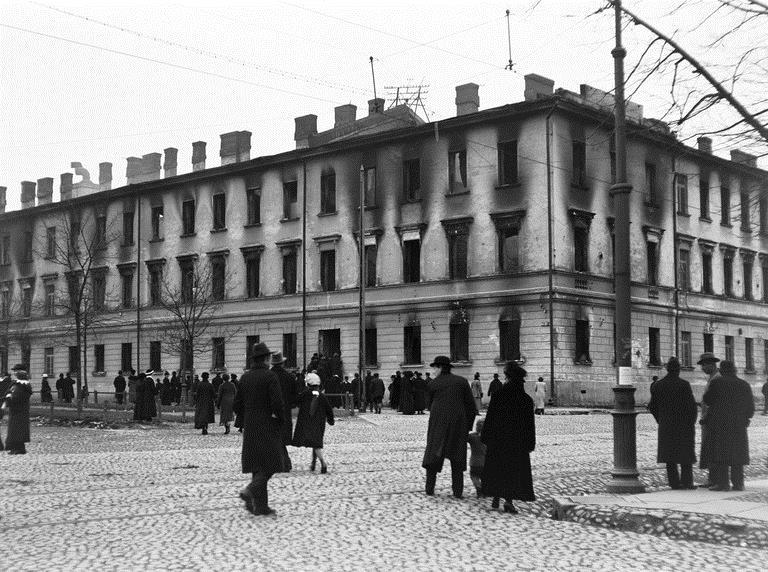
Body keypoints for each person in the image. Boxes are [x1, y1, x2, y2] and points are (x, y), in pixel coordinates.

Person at [234, 342, 291, 516]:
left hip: (251, 426)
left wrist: (246, 418)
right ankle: (250, 490)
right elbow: (277, 402)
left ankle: (260, 506)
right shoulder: (269, 377)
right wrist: (281, 419)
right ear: (266, 359)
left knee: (257, 465)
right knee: (273, 463)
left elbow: (237, 404)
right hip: (268, 425)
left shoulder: (245, 378)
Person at [481, 361, 536, 514]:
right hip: (517, 444)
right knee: (513, 472)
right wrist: (530, 444)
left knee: (497, 468)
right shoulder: (526, 400)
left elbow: (490, 418)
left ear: (508, 378)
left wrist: (485, 437)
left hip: (498, 441)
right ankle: (509, 500)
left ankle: (496, 495)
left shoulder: (498, 396)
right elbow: (530, 426)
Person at [422, 356, 477, 499]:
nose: (433, 371)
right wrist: (467, 426)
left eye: (434, 368)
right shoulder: (462, 382)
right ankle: (457, 491)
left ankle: (429, 488)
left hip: (438, 426)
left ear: (440, 367)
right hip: (458, 425)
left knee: (433, 455)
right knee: (457, 459)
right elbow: (471, 407)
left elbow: (429, 405)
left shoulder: (433, 384)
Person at [703, 360, 754, 491]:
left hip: (720, 423)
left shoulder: (716, 383)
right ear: (734, 370)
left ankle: (723, 483)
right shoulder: (744, 384)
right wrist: (746, 418)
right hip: (738, 424)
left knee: (721, 453)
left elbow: (707, 399)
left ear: (722, 370)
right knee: (737, 454)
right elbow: (750, 407)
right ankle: (738, 483)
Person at [647, 357, 698, 490]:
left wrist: (661, 420)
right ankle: (687, 482)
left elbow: (652, 406)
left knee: (670, 456)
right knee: (685, 455)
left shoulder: (658, 385)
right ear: (678, 370)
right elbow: (692, 407)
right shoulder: (684, 385)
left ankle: (674, 483)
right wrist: (691, 422)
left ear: (667, 369)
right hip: (684, 425)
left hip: (667, 426)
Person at [292, 372, 335, 474]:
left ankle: (323, 463)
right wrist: (330, 420)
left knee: (315, 444)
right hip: (319, 423)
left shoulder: (305, 394)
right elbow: (329, 409)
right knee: (315, 443)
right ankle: (313, 463)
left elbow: (295, 401)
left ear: (308, 384)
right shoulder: (322, 396)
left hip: (308, 423)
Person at [697, 352, 721, 488]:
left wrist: (705, 417)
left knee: (712, 448)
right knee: (708, 448)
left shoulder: (716, 378)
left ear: (711, 365)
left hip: (711, 420)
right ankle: (712, 478)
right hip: (708, 419)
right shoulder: (712, 377)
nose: (702, 368)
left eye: (704, 365)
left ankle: (715, 479)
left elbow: (714, 401)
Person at [4, 364, 33, 455]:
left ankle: (19, 449)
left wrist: (9, 398)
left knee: (18, 430)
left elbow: (18, 397)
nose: (14, 373)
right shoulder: (16, 384)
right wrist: (8, 395)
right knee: (14, 430)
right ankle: (15, 448)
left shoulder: (23, 385)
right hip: (15, 410)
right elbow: (9, 391)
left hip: (20, 411)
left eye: (16, 371)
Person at [271, 351, 298, 445]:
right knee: (285, 427)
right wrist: (292, 403)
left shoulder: (268, 375)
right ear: (282, 363)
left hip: (270, 409)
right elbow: (294, 393)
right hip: (285, 406)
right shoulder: (289, 376)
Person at [468, 418, 486, 498]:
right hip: (485, 463)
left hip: (474, 462)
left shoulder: (472, 437)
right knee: (484, 477)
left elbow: (465, 436)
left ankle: (478, 487)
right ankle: (485, 490)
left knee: (474, 475)